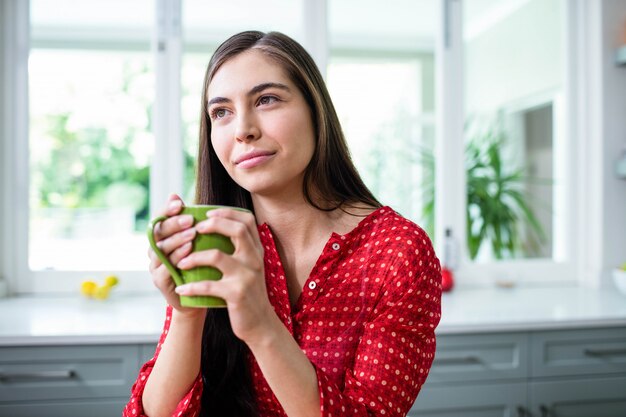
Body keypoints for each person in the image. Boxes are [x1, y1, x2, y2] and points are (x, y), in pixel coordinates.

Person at [124, 30, 441, 417]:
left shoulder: (397, 251)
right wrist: (189, 313)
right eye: (221, 112)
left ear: (315, 110)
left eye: (267, 99)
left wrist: (261, 325)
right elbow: (152, 413)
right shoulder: (214, 239)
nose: (243, 129)